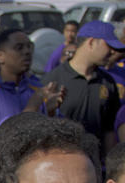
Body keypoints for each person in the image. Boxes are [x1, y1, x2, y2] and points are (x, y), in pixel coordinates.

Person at [41, 20, 123, 156]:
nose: (112, 52)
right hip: (62, 162)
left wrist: (109, 167)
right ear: (91, 42)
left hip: (96, 166)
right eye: (109, 45)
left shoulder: (108, 82)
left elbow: (109, 130)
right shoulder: (53, 80)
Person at [0, 28, 64, 131]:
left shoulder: (39, 89)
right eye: (19, 48)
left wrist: (51, 113)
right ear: (0, 56)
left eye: (29, 47)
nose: (27, 52)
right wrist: (32, 108)